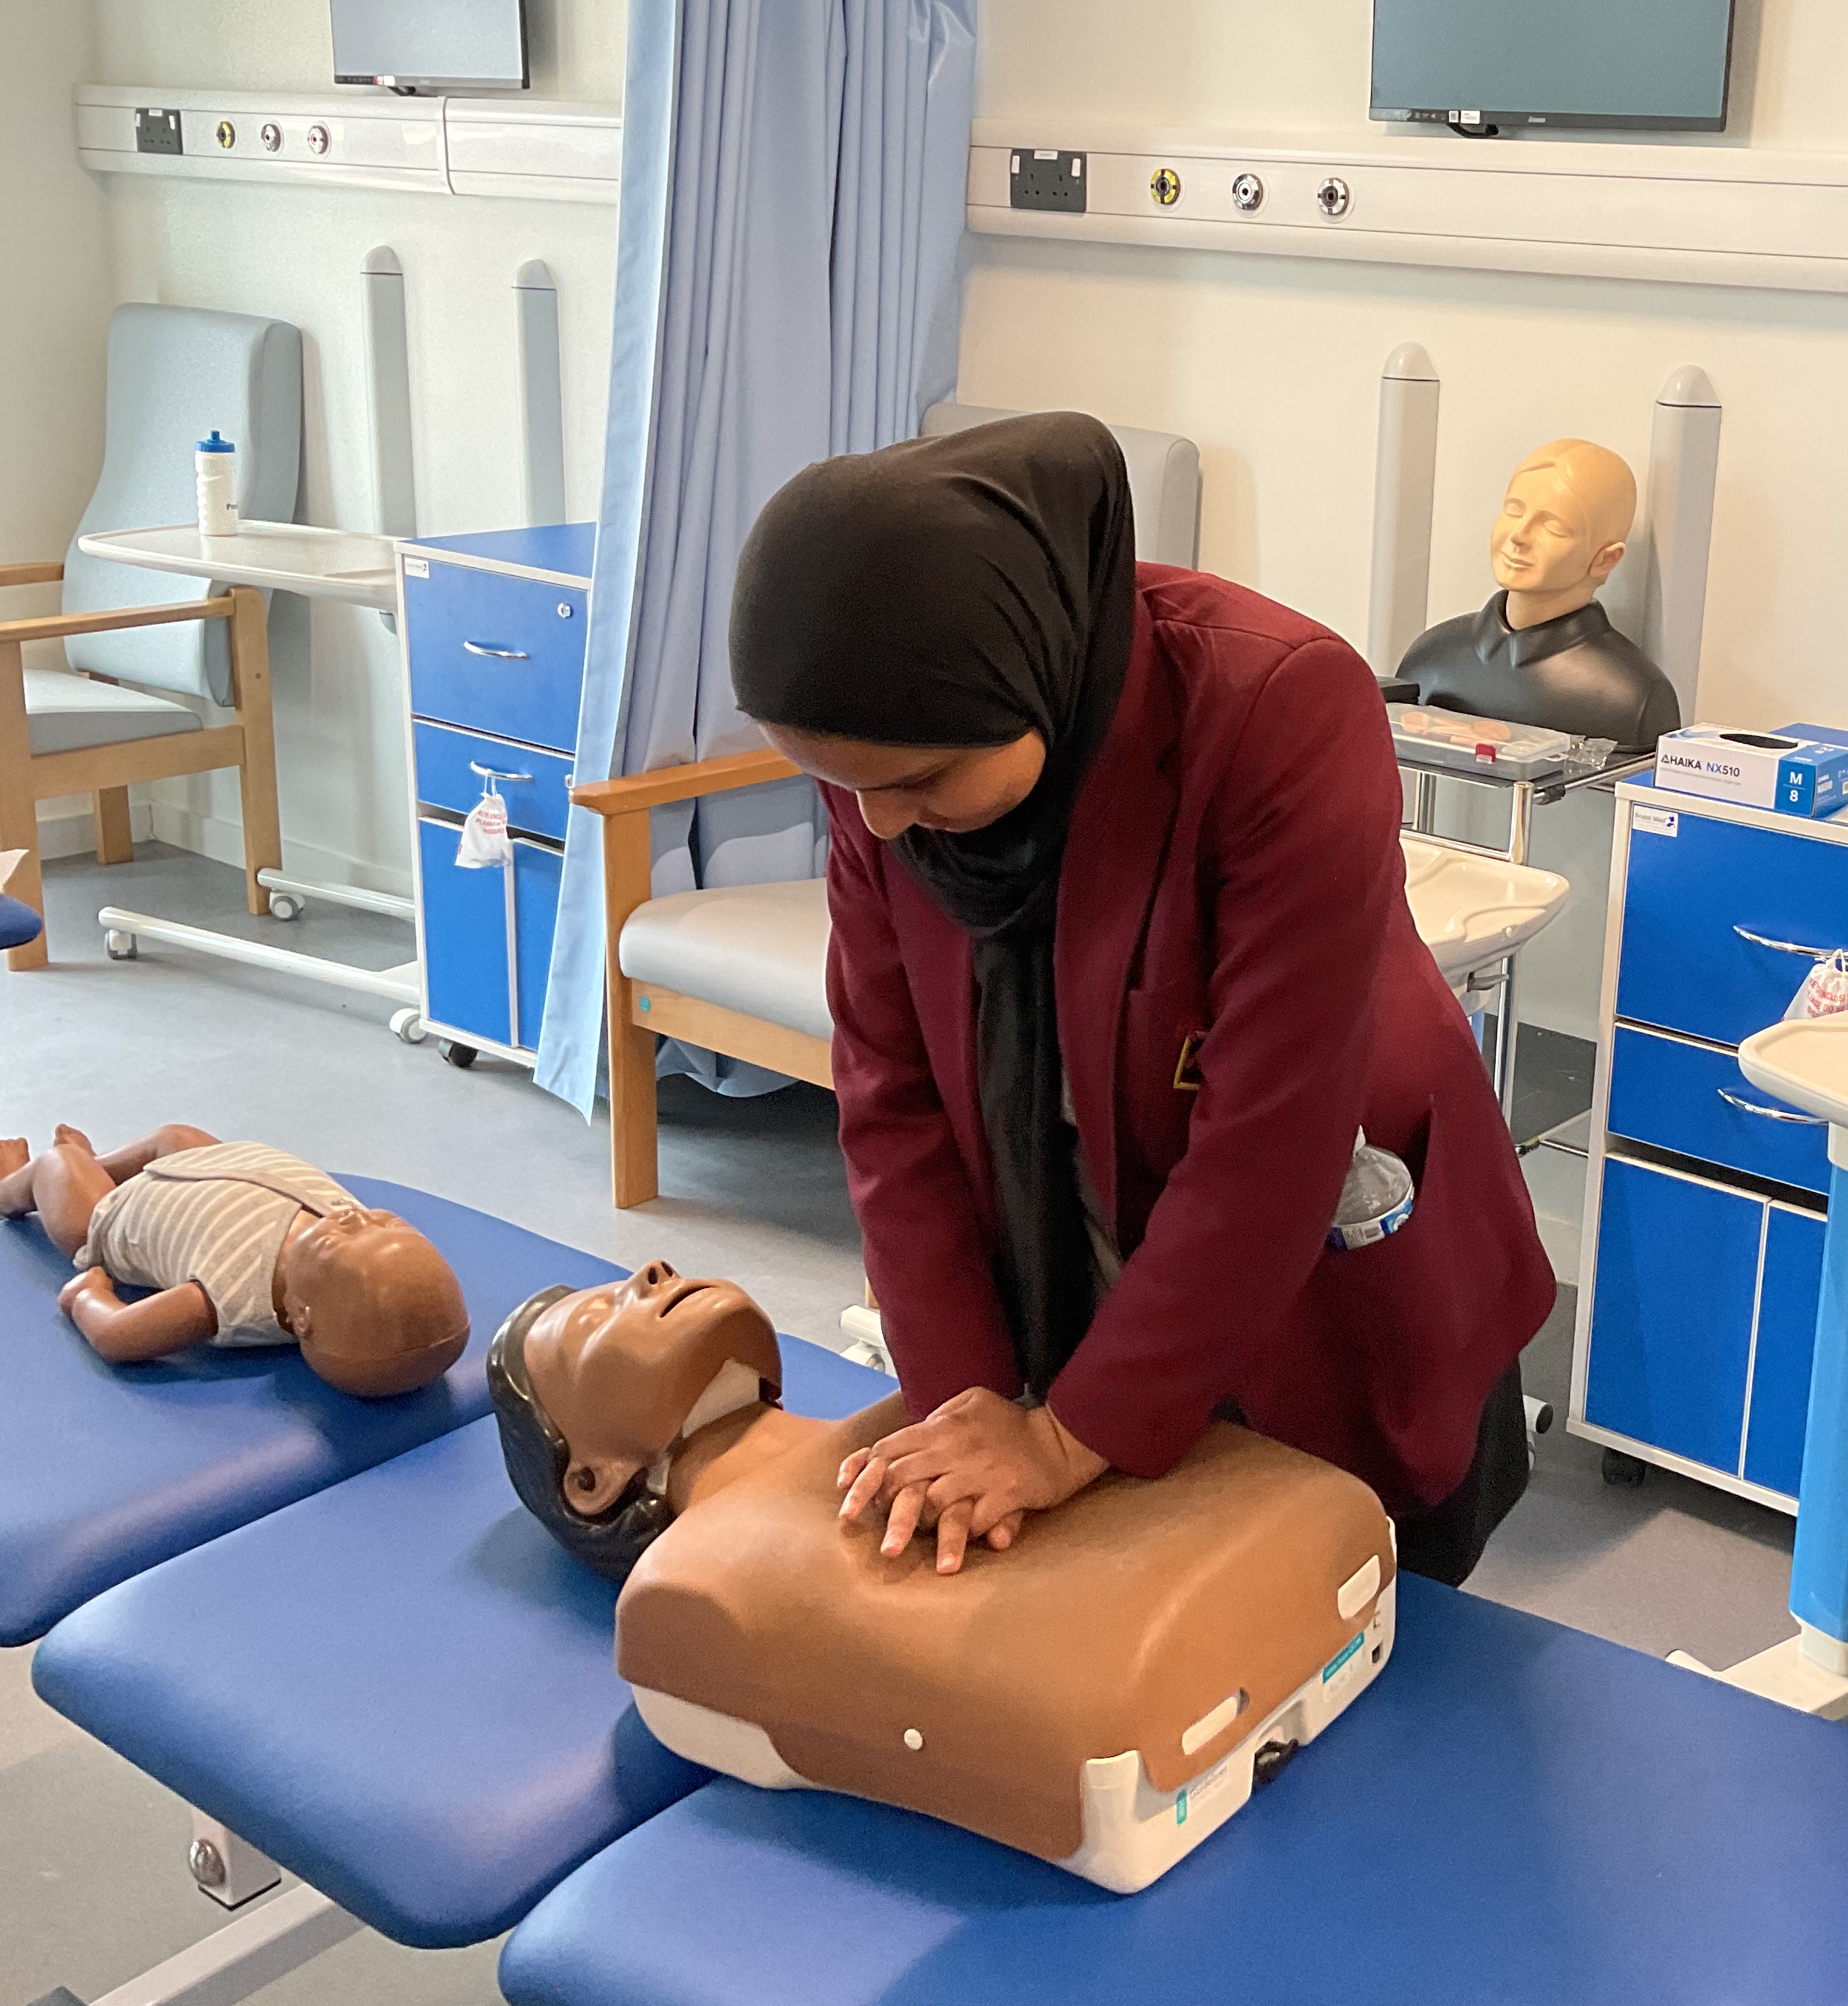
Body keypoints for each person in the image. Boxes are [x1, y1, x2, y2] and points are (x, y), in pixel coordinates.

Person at [727, 411, 1555, 1584]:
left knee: (1360, 1652)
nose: (874, 822)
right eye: (838, 785)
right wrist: (974, 1400)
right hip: (1069, 1262)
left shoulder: (1275, 705)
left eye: (915, 782)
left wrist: (1071, 1438)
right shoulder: (892, 751)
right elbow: (890, 1095)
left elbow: (1270, 1145)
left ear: (1027, 671)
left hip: (1316, 1283)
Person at [488, 1262, 1396, 1887]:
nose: (647, 1274)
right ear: (590, 1480)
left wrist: (1042, 1440)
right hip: (1192, 1655)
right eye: (595, 1318)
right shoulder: (692, 1589)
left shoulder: (952, 1415)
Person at [0, 1123, 468, 1397]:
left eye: (336, 1242)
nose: (356, 1221)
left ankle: (9, 1186)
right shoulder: (347, 1238)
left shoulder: (230, 1296)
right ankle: (95, 1167)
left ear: (301, 1317)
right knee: (174, 1136)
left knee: (58, 1167)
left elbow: (118, 1336)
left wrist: (87, 1297)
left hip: (121, 1216)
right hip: (218, 1168)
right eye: (383, 1222)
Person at [1394, 437, 1681, 754]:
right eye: (1514, 510)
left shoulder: (1631, 697)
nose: (1519, 536)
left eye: (1554, 527)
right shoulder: (1432, 658)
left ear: (1605, 559)